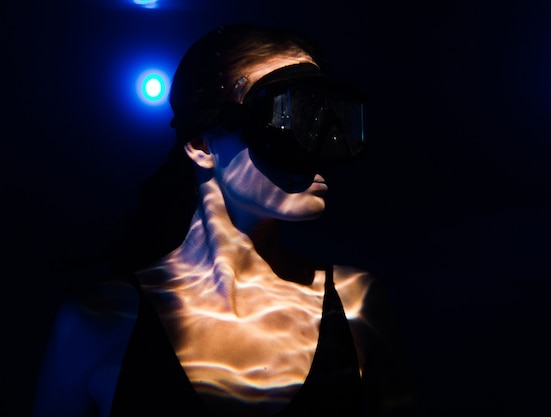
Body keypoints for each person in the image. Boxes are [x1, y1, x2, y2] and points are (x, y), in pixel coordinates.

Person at [32, 22, 417, 417]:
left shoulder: (357, 302)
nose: (318, 146)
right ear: (202, 145)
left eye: (329, 120)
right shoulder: (101, 319)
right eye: (287, 119)